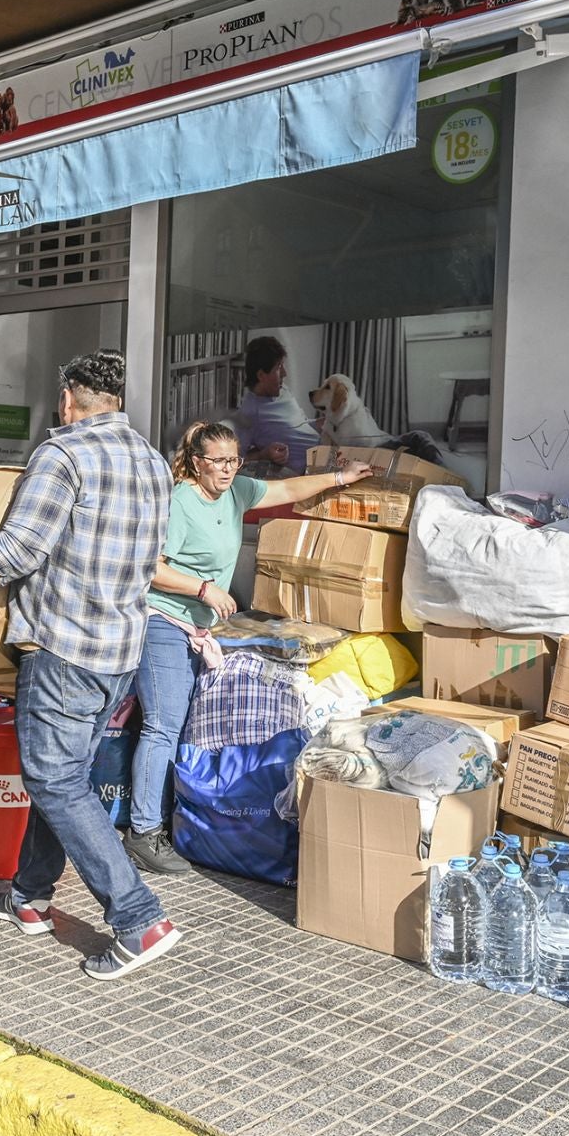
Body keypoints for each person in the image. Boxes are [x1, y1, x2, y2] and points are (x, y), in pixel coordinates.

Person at [0, 350, 180, 981]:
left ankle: (138, 917)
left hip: (64, 646)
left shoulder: (64, 455)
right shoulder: (153, 460)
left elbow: (18, 549)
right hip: (120, 651)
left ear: (67, 400)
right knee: (68, 774)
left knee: (54, 779)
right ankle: (31, 896)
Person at [125, 422, 376, 874]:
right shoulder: (181, 502)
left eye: (234, 460)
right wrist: (204, 590)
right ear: (197, 463)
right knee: (163, 726)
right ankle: (143, 833)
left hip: (197, 628)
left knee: (181, 726)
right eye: (218, 461)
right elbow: (149, 569)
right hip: (162, 622)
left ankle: (175, 820)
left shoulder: (236, 491)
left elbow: (286, 488)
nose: (227, 469)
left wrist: (341, 478)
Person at [234, 336, 319, 476]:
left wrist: (320, 423)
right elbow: (234, 461)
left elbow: (302, 424)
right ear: (261, 375)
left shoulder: (283, 391)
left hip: (327, 454)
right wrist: (263, 454)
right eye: (279, 367)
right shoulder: (250, 413)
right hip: (309, 474)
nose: (284, 373)